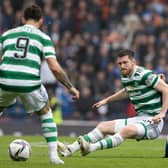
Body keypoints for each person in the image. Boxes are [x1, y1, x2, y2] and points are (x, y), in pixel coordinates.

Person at [0, 4, 79, 164]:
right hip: (29, 82)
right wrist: (70, 87)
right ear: (41, 21)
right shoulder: (43, 38)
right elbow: (54, 68)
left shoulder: (6, 34)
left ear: (22, 18)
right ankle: (53, 156)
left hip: (5, 79)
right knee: (45, 112)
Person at [57, 49, 168, 157]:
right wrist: (106, 100)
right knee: (103, 126)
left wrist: (162, 113)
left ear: (133, 62)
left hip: (154, 122)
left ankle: (90, 148)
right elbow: (126, 91)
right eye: (119, 63)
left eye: (125, 62)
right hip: (140, 119)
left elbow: (166, 89)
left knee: (126, 130)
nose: (122, 66)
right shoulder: (125, 76)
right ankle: (70, 149)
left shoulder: (144, 74)